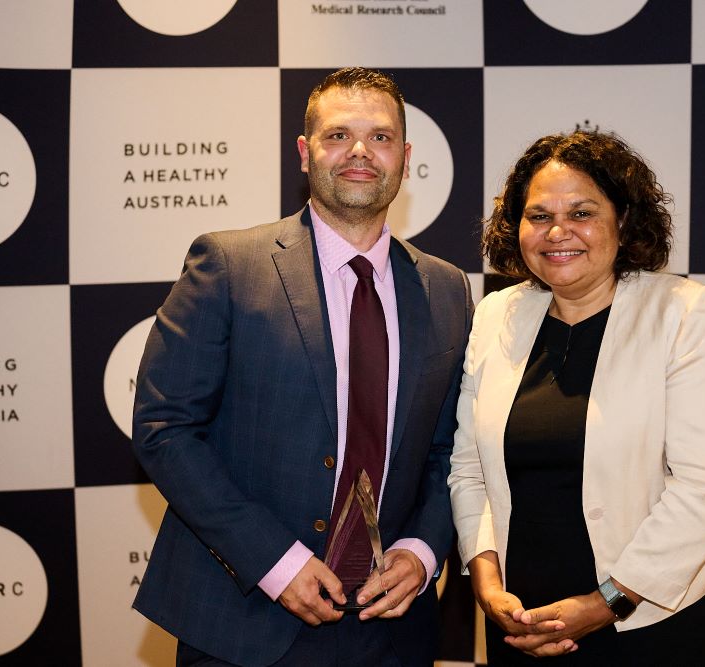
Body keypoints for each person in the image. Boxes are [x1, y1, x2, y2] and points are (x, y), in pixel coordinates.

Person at [131, 67, 472, 666]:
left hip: (391, 629)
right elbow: (165, 428)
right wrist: (273, 562)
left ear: (406, 156)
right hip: (245, 620)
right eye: (339, 135)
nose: (361, 151)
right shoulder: (229, 266)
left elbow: (453, 448)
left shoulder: (445, 288)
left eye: (381, 137)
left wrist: (422, 548)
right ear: (305, 151)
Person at [447, 131, 705, 664]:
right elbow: (469, 468)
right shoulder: (496, 315)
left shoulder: (681, 312)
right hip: (521, 624)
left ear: (622, 222)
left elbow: (703, 487)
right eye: (538, 216)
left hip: (645, 621)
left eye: (582, 212)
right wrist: (487, 584)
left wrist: (606, 601)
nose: (558, 231)